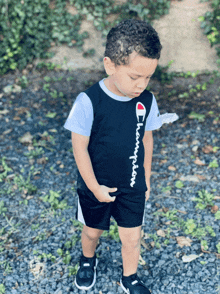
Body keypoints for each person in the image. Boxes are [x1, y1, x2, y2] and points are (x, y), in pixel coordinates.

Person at [64, 19, 163, 294]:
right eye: (134, 77)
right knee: (92, 232)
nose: (142, 84)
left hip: (132, 185)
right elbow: (79, 148)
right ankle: (87, 260)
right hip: (96, 186)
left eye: (148, 77)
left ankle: (129, 277)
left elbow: (147, 138)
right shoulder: (88, 101)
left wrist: (146, 179)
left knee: (132, 237)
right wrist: (94, 187)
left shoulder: (148, 102)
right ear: (110, 65)